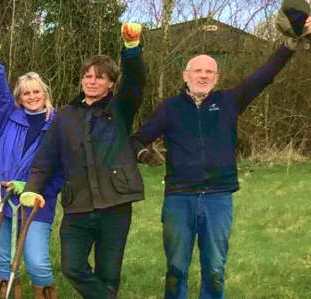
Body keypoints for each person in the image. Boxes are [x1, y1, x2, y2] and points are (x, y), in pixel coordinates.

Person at [131, 10, 308, 299]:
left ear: (216, 77)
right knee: (176, 267)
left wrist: (289, 45)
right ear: (185, 75)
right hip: (179, 198)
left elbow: (264, 76)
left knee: (214, 268)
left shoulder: (230, 102)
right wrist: (143, 154)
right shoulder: (170, 108)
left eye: (209, 71)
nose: (203, 75)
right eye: (197, 71)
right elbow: (136, 138)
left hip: (218, 198)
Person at [19, 22, 147, 299]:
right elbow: (45, 160)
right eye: (87, 76)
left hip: (115, 203)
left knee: (109, 272)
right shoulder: (65, 116)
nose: (92, 81)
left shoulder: (120, 108)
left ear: (111, 83)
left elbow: (136, 80)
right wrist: (31, 188)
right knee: (72, 266)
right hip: (78, 205)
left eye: (100, 77)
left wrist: (132, 48)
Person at [0, 40, 64, 299]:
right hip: (1, 198)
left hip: (36, 201)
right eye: (26, 93)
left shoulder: (58, 124)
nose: (32, 97)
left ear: (45, 94)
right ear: (19, 98)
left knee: (36, 261)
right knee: (3, 260)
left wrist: (34, 188)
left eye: (37, 92)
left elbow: (61, 170)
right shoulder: (9, 118)